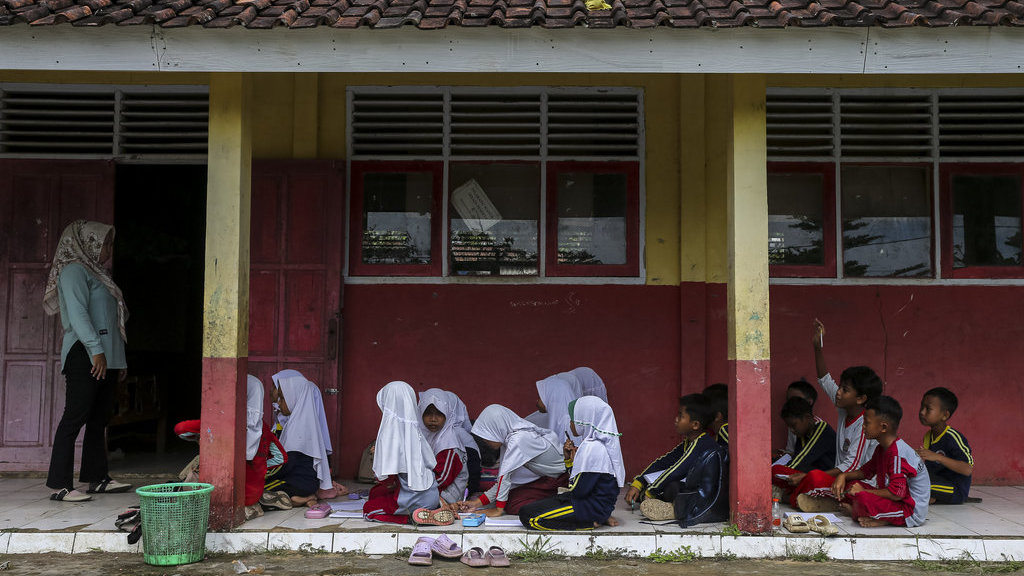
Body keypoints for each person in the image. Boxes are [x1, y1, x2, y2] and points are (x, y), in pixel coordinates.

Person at [42, 220, 131, 502]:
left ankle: (98, 478)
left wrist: (119, 359)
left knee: (99, 419)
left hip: (104, 356)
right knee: (74, 417)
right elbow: (79, 316)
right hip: (85, 354)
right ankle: (60, 486)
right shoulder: (73, 271)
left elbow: (111, 321)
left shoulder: (99, 274)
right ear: (88, 243)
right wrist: (96, 350)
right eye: (105, 243)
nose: (108, 249)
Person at [790, 319, 883, 513]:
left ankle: (830, 500)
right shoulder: (844, 406)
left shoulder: (865, 424)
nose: (838, 392)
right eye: (840, 387)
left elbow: (851, 466)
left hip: (857, 480)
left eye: (845, 389)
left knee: (814, 478)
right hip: (838, 478)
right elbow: (825, 380)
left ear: (861, 398)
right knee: (781, 472)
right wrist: (817, 347)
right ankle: (817, 498)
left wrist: (807, 476)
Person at [520, 396, 623, 530]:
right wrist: (569, 460)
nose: (570, 423)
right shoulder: (597, 444)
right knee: (529, 508)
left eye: (573, 419)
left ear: (584, 421)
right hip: (585, 502)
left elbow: (579, 490)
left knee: (530, 517)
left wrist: (574, 463)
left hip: (589, 508)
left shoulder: (593, 449)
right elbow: (581, 488)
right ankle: (599, 518)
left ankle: (588, 524)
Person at [626, 393, 728, 526]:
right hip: (692, 490)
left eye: (681, 416)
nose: (676, 419)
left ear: (695, 424)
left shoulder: (702, 443)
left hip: (703, 498)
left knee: (672, 486)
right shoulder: (689, 442)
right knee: (661, 485)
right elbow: (665, 461)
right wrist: (638, 483)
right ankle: (667, 505)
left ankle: (673, 509)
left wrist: (651, 491)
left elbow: (678, 470)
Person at [832, 396, 930, 527]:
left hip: (910, 511)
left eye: (867, 423)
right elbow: (865, 472)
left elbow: (897, 494)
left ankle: (867, 515)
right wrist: (843, 476)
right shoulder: (881, 448)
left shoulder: (897, 454)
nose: (863, 426)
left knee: (862, 497)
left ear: (883, 427)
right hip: (897, 501)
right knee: (852, 484)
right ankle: (863, 511)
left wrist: (864, 492)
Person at [459, 404, 568, 517]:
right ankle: (558, 499)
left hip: (563, 479)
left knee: (514, 504)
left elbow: (504, 478)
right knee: (510, 498)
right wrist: (476, 503)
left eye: (487, 435)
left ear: (498, 429)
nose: (485, 442)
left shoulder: (519, 439)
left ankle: (563, 502)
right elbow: (503, 482)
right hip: (550, 479)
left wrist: (498, 510)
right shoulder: (510, 439)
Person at [363, 381, 444, 525]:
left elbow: (386, 480)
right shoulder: (417, 433)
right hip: (431, 495)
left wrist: (377, 458)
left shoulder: (389, 435)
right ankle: (431, 510)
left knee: (368, 509)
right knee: (375, 493)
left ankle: (411, 518)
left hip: (412, 499)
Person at [263, 370, 339, 508]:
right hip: (302, 482)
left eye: (282, 398)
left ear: (294, 397)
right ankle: (297, 499)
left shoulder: (299, 428)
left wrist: (264, 473)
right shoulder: (296, 423)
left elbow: (286, 465)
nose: (279, 403)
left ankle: (302, 498)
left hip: (299, 482)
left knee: (258, 491)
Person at [771, 396, 837, 505]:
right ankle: (794, 496)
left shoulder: (821, 429)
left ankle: (788, 497)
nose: (792, 430)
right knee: (777, 470)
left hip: (825, 479)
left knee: (779, 471)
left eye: (793, 425)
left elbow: (799, 461)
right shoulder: (803, 432)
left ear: (807, 418)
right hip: (807, 475)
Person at [917, 387, 974, 504]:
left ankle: (929, 497)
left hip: (955, 489)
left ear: (945, 415)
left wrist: (937, 457)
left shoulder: (953, 437)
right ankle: (931, 498)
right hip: (938, 483)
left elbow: (967, 469)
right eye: (922, 407)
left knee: (915, 483)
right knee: (907, 476)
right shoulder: (928, 436)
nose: (922, 412)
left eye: (928, 409)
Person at [417, 388, 470, 507]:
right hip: (428, 487)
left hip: (447, 494)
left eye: (439, 414)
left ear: (447, 414)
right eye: (428, 413)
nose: (433, 419)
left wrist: (413, 487)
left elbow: (442, 480)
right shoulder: (421, 436)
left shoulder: (449, 444)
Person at [526, 375, 578, 443]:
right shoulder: (560, 419)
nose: (537, 401)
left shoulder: (568, 423)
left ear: (552, 397)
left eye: (540, 397)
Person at [778, 379, 818, 458]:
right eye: (789, 400)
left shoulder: (818, 427)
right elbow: (791, 451)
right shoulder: (793, 426)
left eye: (797, 400)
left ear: (809, 402)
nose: (791, 404)